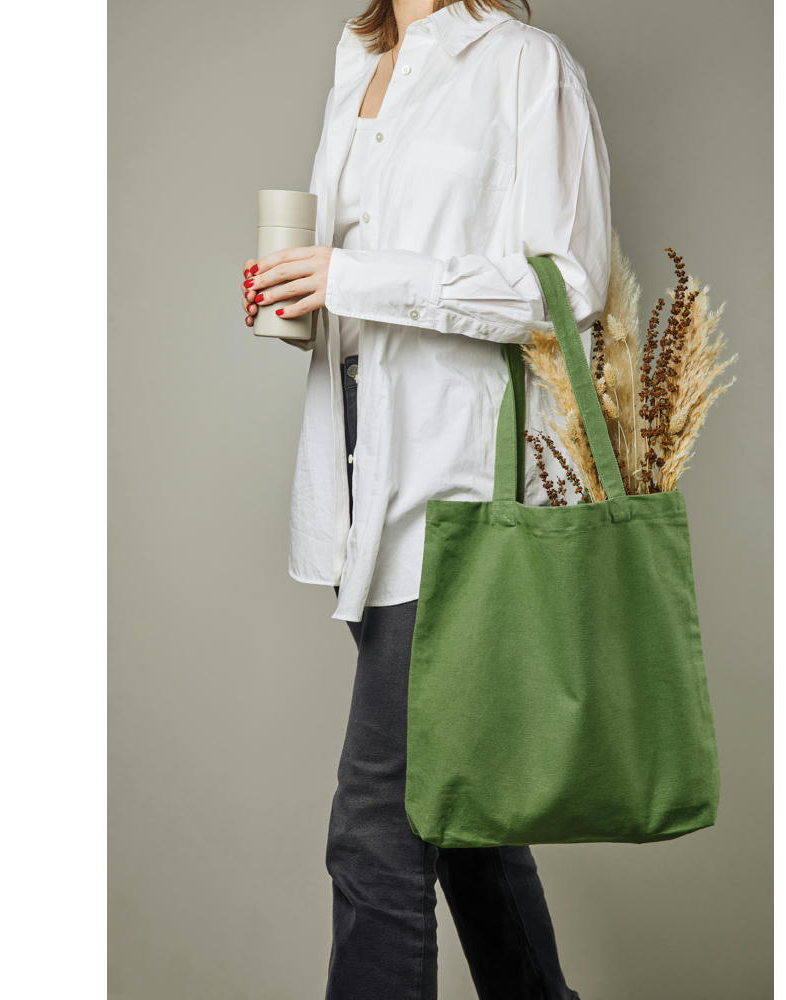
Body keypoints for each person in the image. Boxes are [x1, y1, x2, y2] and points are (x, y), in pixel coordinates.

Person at [240, 1, 610, 996]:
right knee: (458, 803)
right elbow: (359, 292)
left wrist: (355, 276)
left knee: (377, 827)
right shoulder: (357, 66)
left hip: (459, 482)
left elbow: (567, 286)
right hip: (361, 467)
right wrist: (301, 297)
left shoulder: (524, 64)